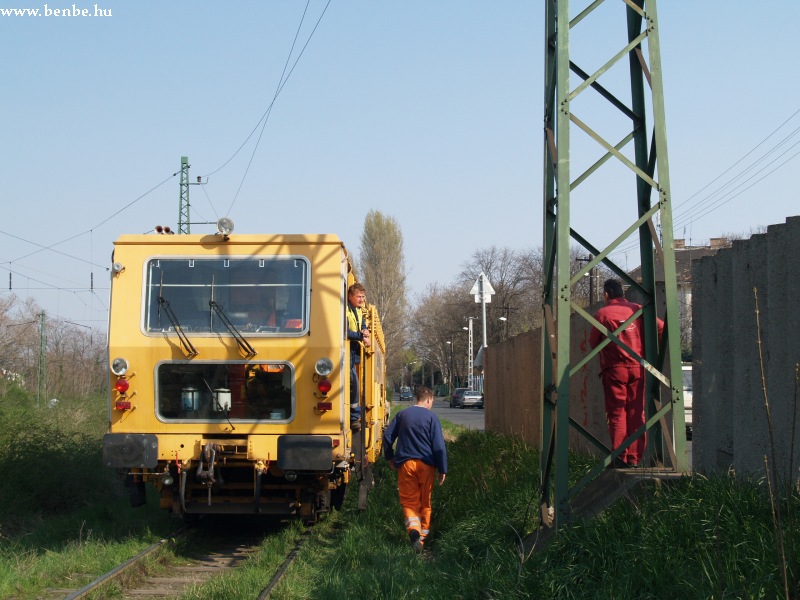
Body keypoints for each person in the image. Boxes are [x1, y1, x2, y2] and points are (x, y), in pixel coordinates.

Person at [589, 279, 663, 468]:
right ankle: (635, 458)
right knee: (636, 414)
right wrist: (650, 351)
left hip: (614, 370)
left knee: (617, 414)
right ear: (623, 293)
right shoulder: (637, 309)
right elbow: (661, 328)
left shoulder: (602, 313)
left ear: (606, 295)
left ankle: (620, 457)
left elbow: (593, 342)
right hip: (638, 367)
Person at [383, 387, 448, 552]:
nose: (431, 404)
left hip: (406, 464)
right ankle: (423, 539)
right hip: (426, 466)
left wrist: (390, 457)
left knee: (409, 501)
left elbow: (387, 436)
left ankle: (414, 532)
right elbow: (439, 446)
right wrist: (442, 469)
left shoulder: (403, 415)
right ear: (428, 400)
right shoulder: (432, 417)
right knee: (425, 502)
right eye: (432, 401)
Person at [346, 283, 370, 431]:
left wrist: (365, 330)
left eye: (363, 296)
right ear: (350, 296)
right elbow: (344, 332)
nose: (361, 299)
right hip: (347, 351)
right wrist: (361, 337)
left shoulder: (358, 310)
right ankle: (353, 416)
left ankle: (354, 415)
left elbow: (361, 324)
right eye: (359, 296)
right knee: (353, 383)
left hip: (353, 352)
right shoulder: (345, 310)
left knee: (354, 382)